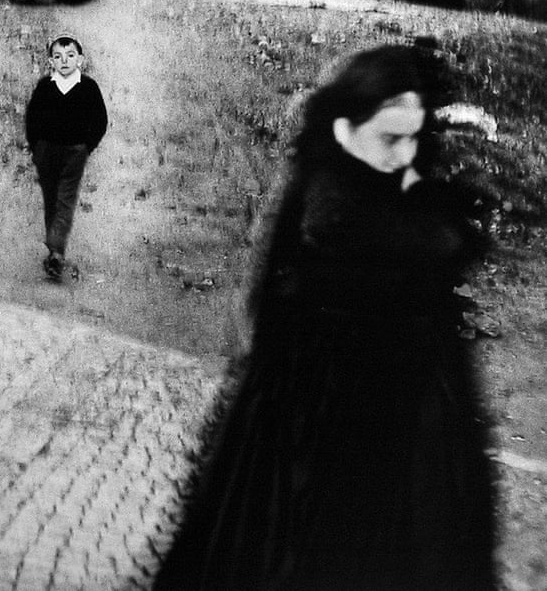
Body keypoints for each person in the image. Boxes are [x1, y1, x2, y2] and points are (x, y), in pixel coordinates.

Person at [155, 45, 497, 590]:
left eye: (414, 137)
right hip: (321, 432)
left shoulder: (377, 186)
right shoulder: (330, 203)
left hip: (385, 430)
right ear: (344, 130)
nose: (405, 156)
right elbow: (428, 245)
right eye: (391, 138)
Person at [25, 34, 108, 280]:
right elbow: (33, 117)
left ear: (80, 60)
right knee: (51, 197)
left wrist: (86, 146)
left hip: (74, 151)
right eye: (58, 57)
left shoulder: (88, 87)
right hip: (46, 150)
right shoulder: (45, 86)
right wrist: (36, 146)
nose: (65, 61)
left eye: (70, 56)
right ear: (51, 61)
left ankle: (56, 252)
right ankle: (54, 247)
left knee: (65, 198)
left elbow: (100, 120)